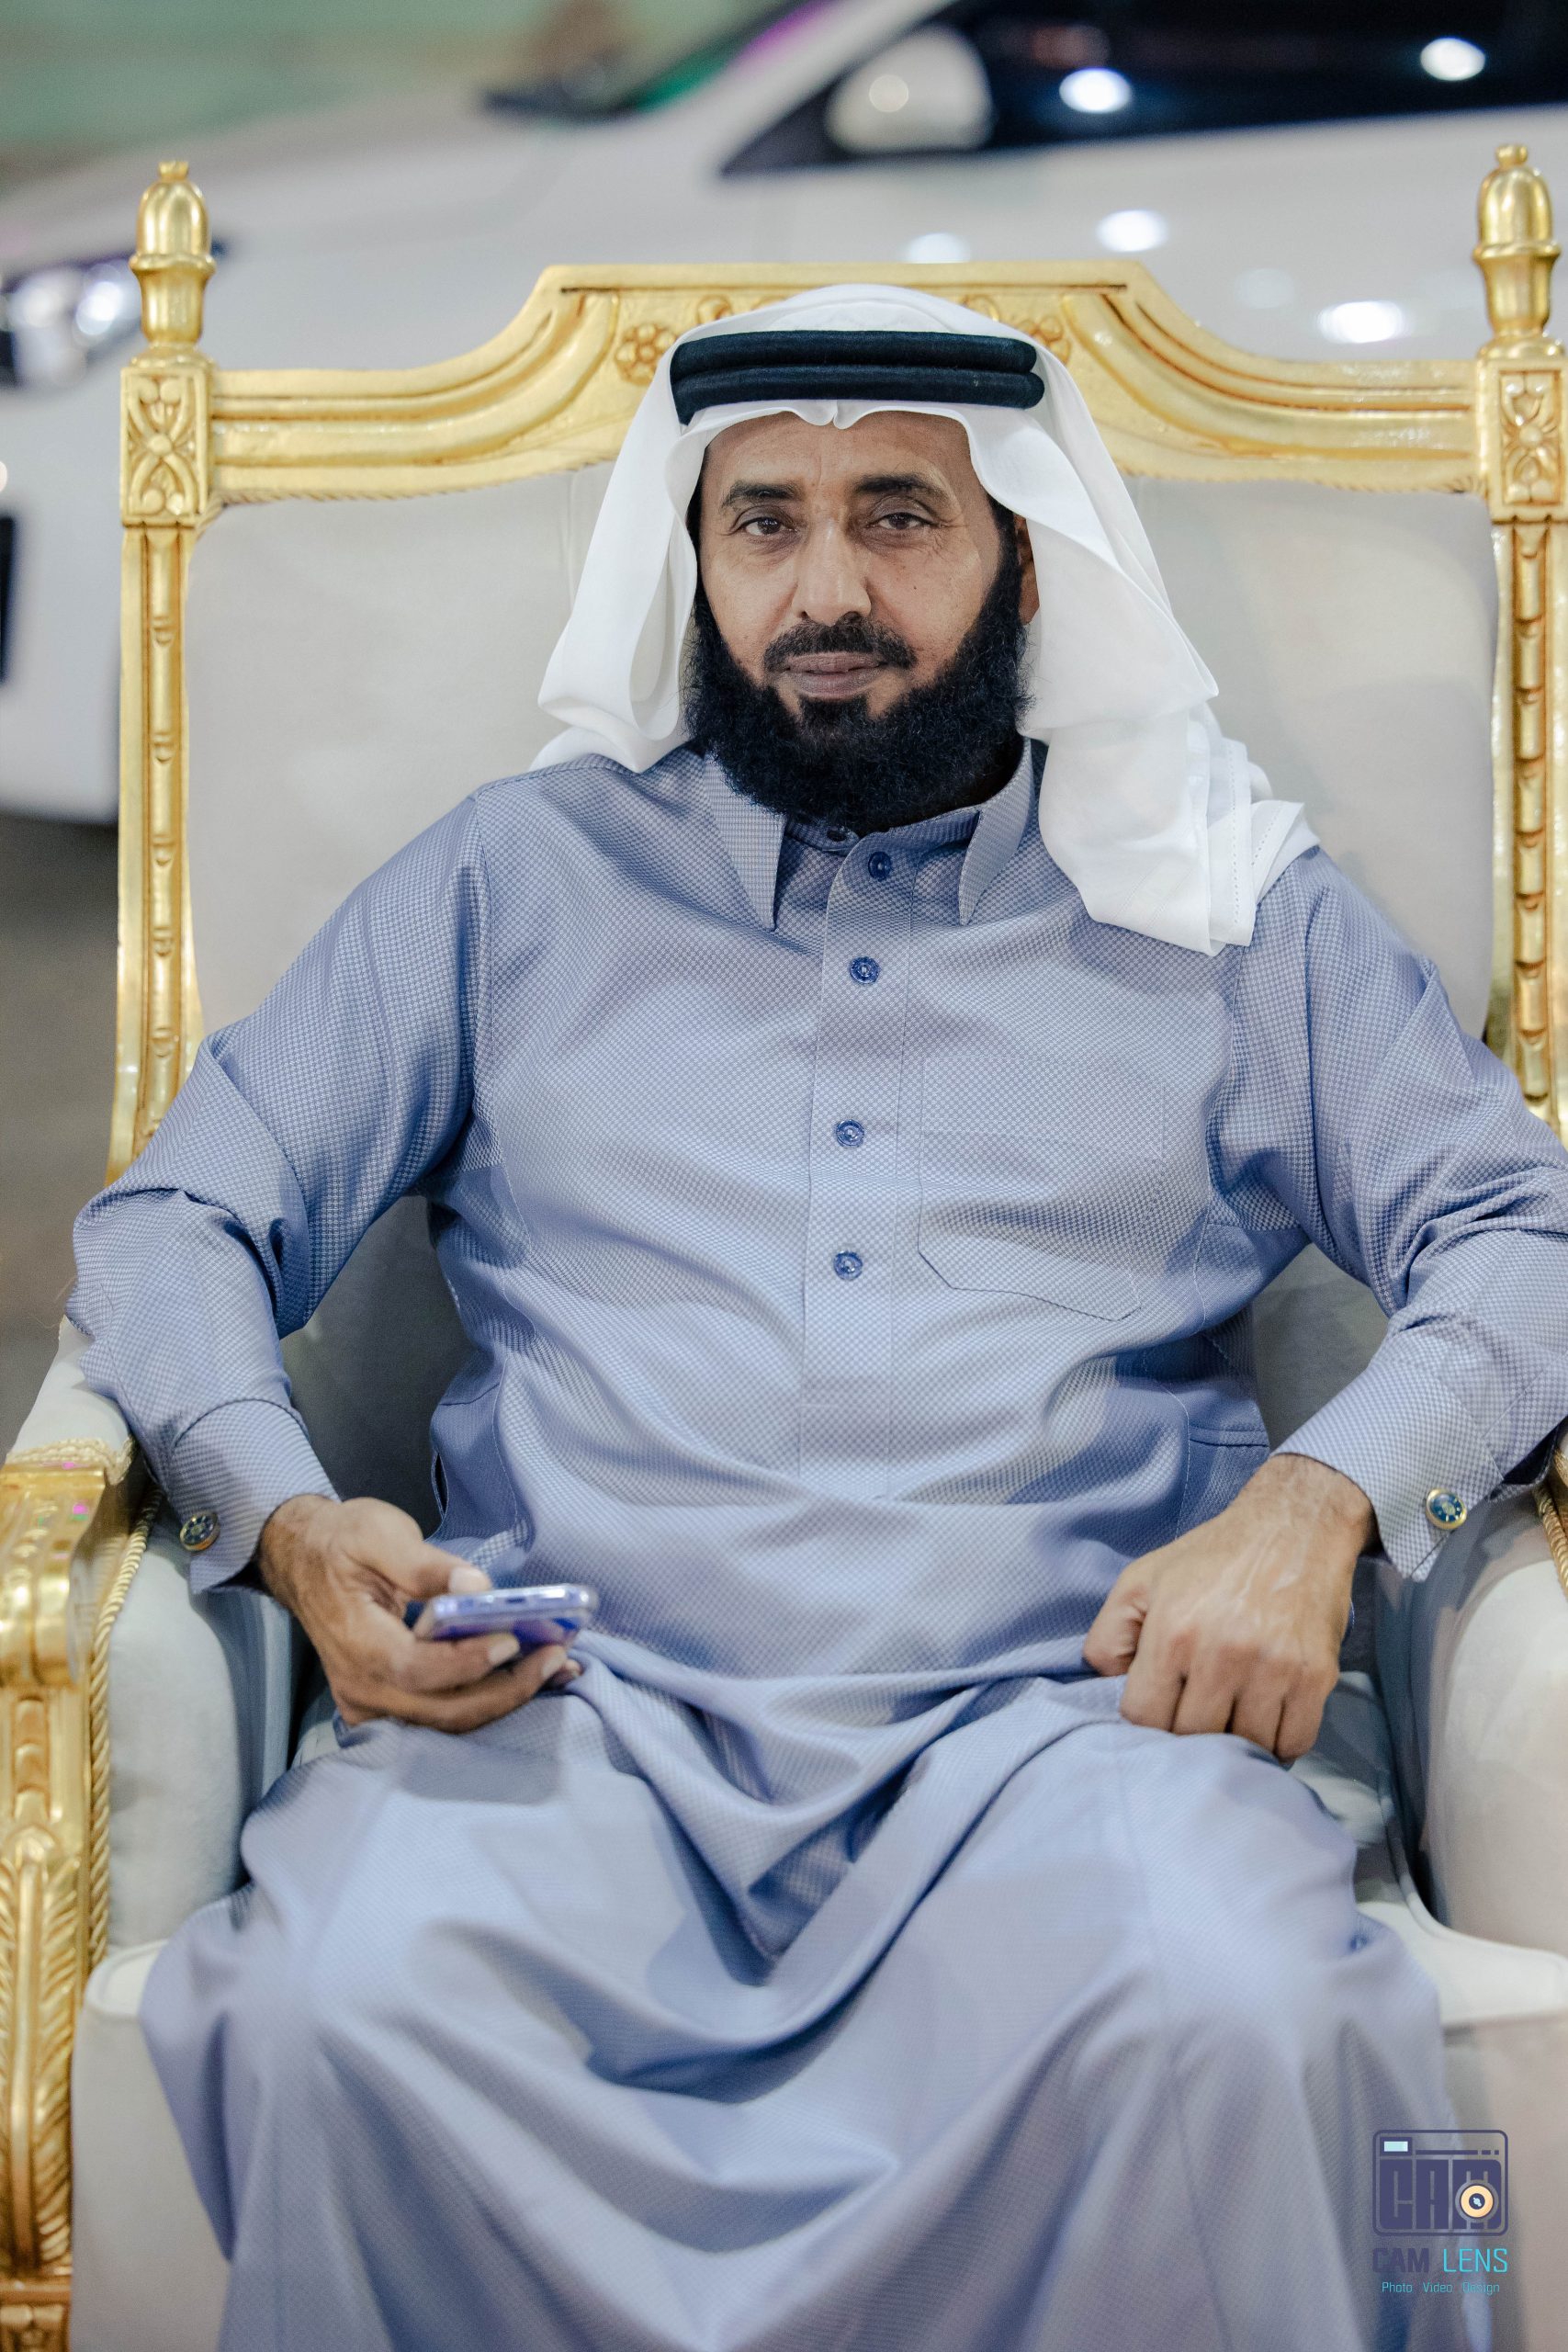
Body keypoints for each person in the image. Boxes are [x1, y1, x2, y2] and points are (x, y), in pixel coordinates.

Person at [66, 287, 1550, 2352]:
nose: (824, 592)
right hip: (575, 1713)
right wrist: (292, 1522)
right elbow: (172, 1215)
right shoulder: (514, 881)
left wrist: (1323, 1503)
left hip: (1070, 1729)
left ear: (1026, 553)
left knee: (1244, 2015)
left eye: (898, 516)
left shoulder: (1215, 902)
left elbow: (1522, 1227)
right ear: (689, 558)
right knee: (341, 2007)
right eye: (762, 521)